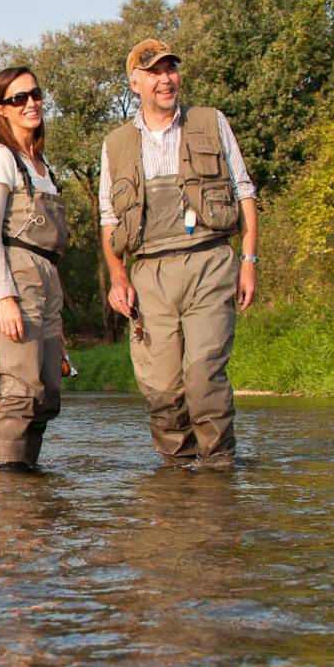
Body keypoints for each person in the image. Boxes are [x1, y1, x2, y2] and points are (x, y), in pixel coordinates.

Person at [98, 39, 259, 467]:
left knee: (204, 376)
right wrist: (118, 277)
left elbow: (244, 192)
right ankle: (176, 483)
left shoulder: (211, 121)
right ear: (135, 83)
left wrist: (249, 261)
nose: (166, 79)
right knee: (162, 391)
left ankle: (220, 471)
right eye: (154, 72)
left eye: (171, 69)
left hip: (210, 264)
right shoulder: (115, 144)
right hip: (149, 274)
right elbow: (108, 220)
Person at [0, 66, 69, 471]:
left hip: (48, 278)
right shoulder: (0, 159)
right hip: (15, 276)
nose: (30, 103)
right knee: (20, 392)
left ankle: (29, 482)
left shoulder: (43, 164)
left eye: (35, 94)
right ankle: (9, 490)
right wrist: (7, 298)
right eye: (18, 99)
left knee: (47, 395)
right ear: (1, 110)